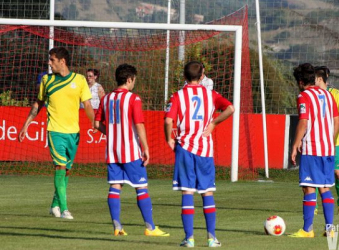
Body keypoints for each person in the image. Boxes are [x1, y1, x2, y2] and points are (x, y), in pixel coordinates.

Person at [18, 47, 94, 220]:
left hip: (74, 133)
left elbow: (88, 105)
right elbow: (38, 104)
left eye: (52, 60)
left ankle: (54, 205)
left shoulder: (80, 80)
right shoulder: (47, 80)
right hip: (55, 131)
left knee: (66, 171)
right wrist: (25, 125)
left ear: (62, 61)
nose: (49, 63)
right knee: (59, 167)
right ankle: (65, 209)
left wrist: (94, 122)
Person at [164, 61, 234, 247]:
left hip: (185, 148)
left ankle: (189, 239)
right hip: (204, 149)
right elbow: (230, 108)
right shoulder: (210, 94)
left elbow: (168, 120)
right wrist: (213, 124)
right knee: (207, 192)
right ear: (202, 75)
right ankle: (212, 238)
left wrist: (169, 139)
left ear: (185, 76)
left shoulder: (178, 95)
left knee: (187, 191)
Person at [94, 63, 169, 237]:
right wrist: (146, 148)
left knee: (115, 187)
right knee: (141, 187)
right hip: (130, 151)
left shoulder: (106, 99)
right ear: (129, 79)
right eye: (134, 80)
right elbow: (139, 124)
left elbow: (97, 124)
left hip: (112, 151)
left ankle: (117, 226)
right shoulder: (133, 99)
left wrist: (111, 132)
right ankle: (150, 228)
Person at [289, 63, 339, 238]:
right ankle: (330, 229)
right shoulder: (327, 94)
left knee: (309, 187)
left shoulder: (303, 96)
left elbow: (303, 122)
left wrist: (295, 144)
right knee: (325, 187)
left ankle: (307, 230)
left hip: (312, 148)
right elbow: (336, 120)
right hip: (328, 149)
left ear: (301, 82)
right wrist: (330, 142)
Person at [314, 66, 339, 216]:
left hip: (334, 142)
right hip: (318, 140)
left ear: (322, 77)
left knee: (337, 172)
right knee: (315, 173)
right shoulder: (313, 94)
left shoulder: (335, 93)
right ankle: (313, 205)